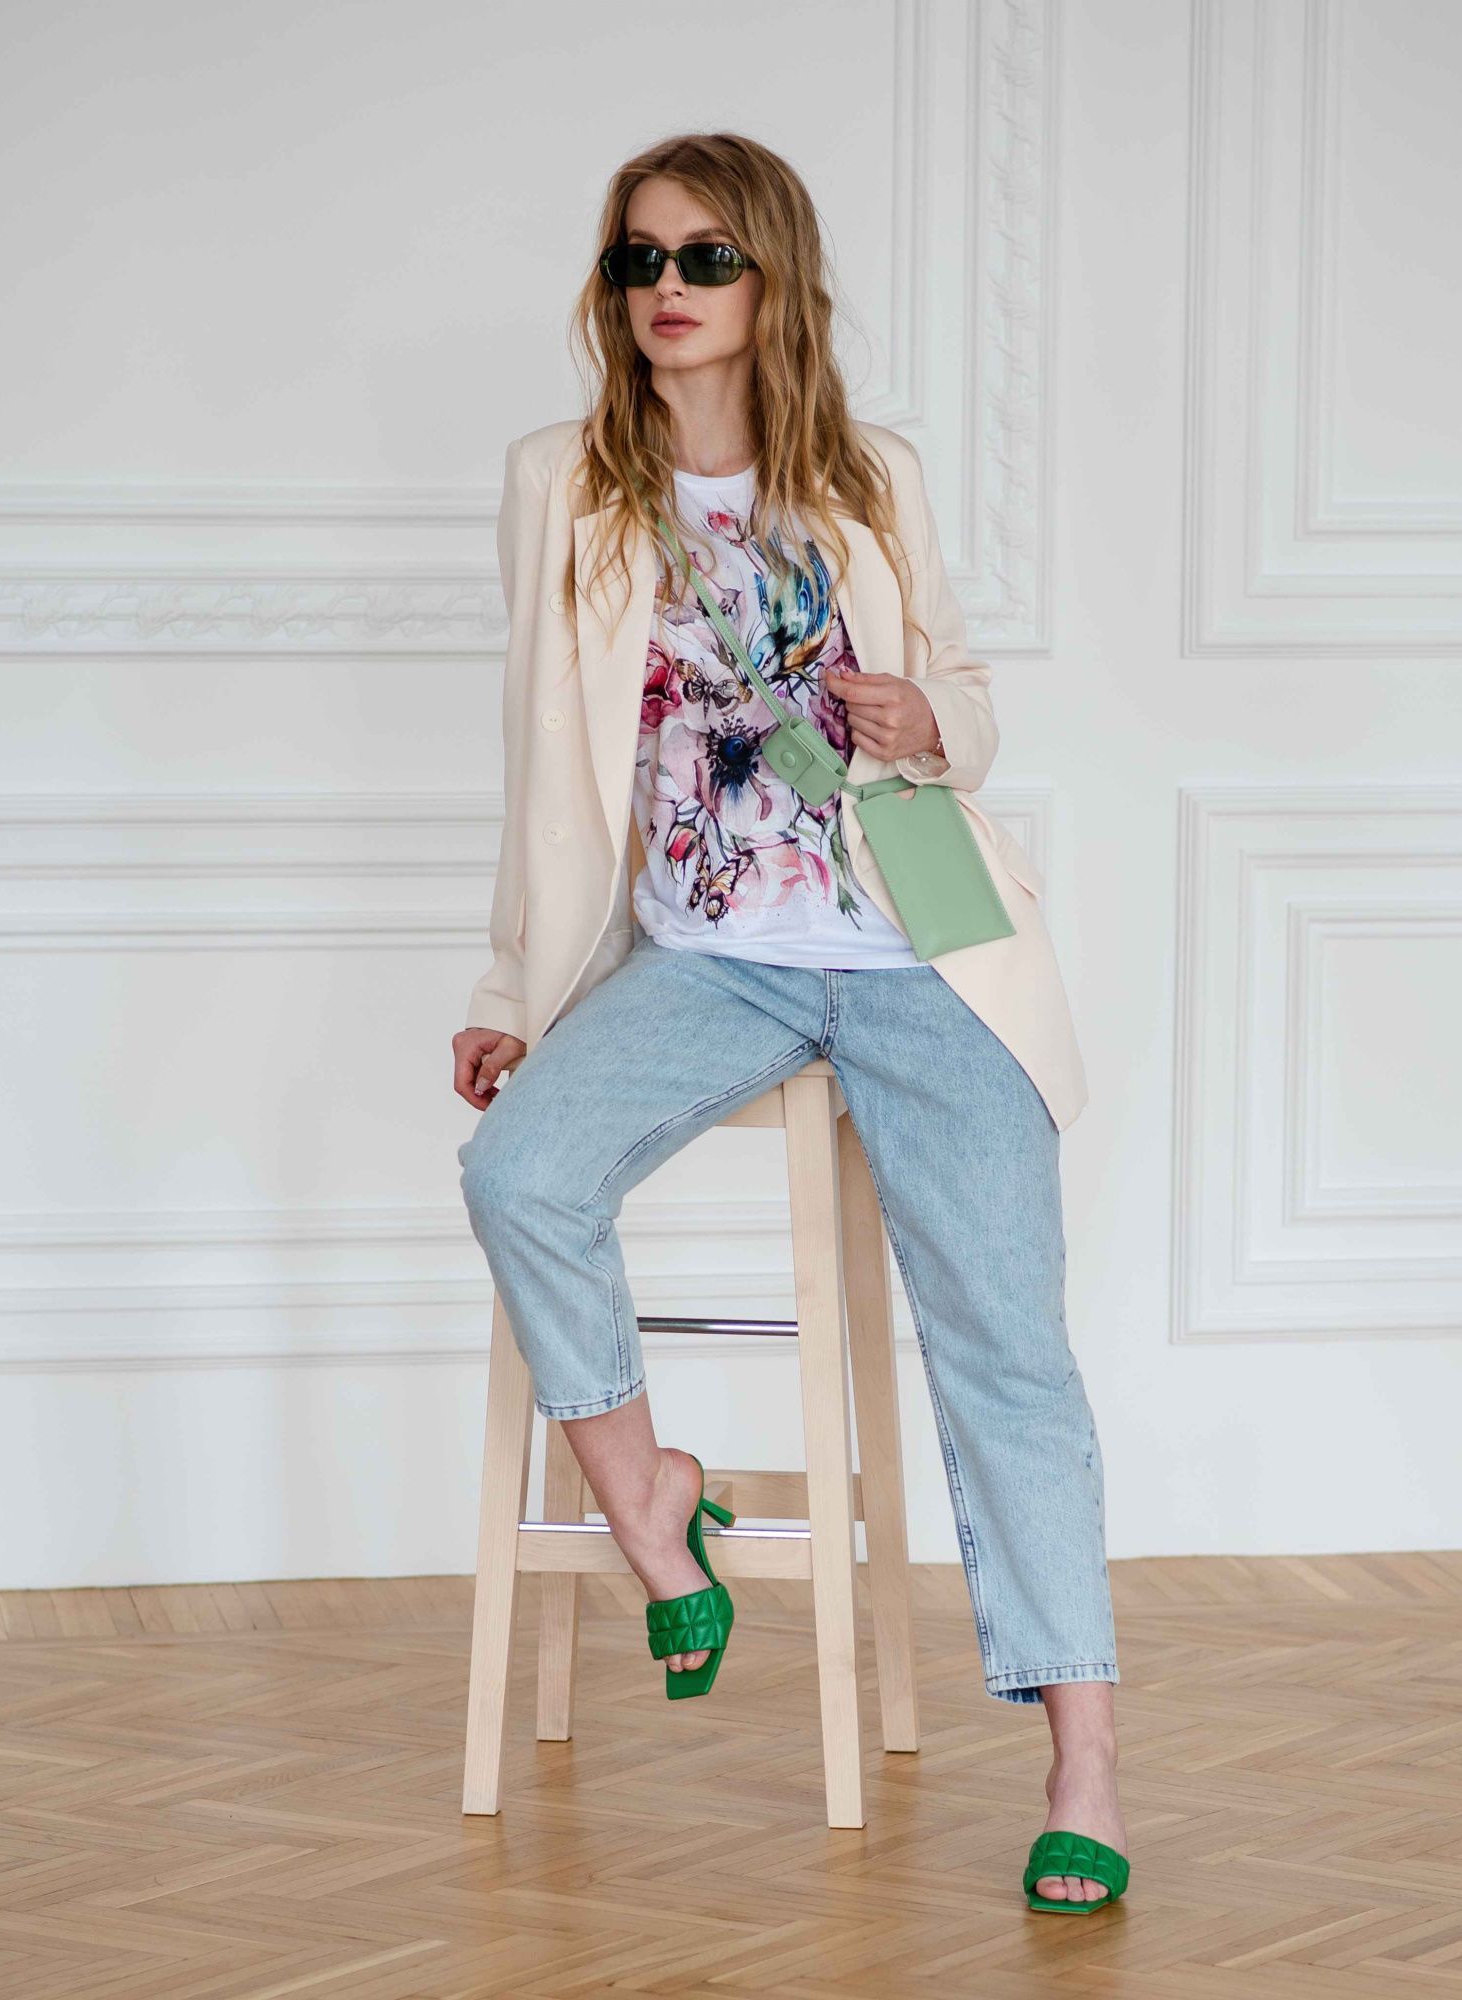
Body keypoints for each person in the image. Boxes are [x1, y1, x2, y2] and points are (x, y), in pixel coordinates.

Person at [453, 132, 1128, 1914]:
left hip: (921, 947)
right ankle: (648, 1501)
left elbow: (965, 690)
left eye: (705, 258)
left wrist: (930, 724)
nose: (666, 290)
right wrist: (512, 989)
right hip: (709, 958)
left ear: (771, 280)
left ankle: (1082, 1754)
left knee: (1006, 1345)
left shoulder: (868, 476)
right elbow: (539, 763)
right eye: (639, 261)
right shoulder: (561, 486)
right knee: (519, 1172)